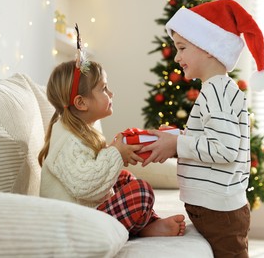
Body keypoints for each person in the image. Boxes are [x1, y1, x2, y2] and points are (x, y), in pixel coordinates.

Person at [140, 0, 264, 257]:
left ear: (209, 48)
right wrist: (177, 137)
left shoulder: (217, 90)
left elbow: (224, 149)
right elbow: (213, 140)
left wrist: (177, 144)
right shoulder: (216, 88)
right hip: (214, 207)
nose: (177, 57)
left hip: (219, 212)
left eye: (182, 47)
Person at [38, 25, 186, 238]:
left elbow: (93, 173)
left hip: (86, 212)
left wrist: (118, 153)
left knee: (125, 177)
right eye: (103, 88)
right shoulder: (67, 141)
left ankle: (149, 224)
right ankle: (141, 228)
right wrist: (115, 153)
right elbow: (85, 185)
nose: (111, 93)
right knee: (141, 192)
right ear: (81, 103)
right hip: (73, 227)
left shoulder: (81, 130)